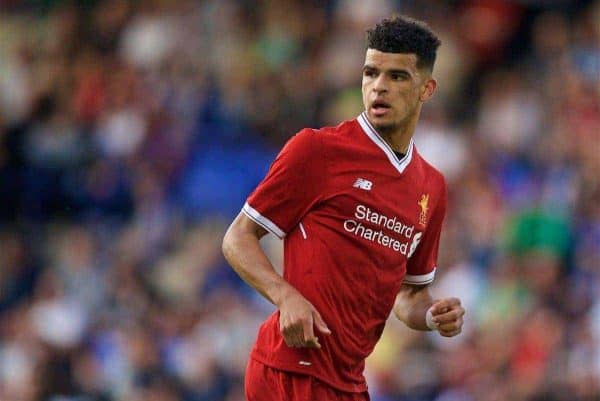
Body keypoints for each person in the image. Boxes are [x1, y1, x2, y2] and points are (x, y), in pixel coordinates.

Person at [222, 15, 465, 401]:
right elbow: (238, 237)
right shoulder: (317, 151)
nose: (379, 87)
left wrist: (432, 316)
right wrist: (285, 296)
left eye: (398, 76)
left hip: (348, 383)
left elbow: (409, 296)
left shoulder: (431, 187)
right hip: (289, 372)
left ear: (427, 88)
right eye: (371, 73)